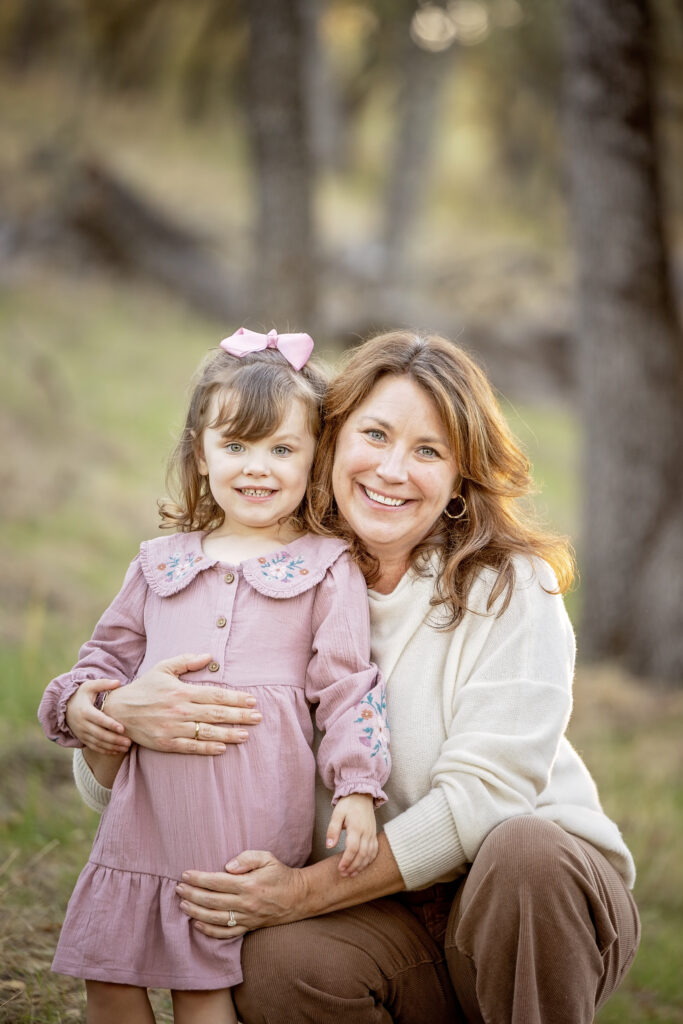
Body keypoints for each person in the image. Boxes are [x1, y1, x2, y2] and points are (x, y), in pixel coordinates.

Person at [69, 330, 640, 1024]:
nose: (393, 470)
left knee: (526, 852)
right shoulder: (266, 579)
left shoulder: (509, 585)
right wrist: (121, 715)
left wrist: (298, 894)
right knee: (275, 967)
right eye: (374, 434)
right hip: (373, 914)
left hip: (524, 909)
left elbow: (487, 797)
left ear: (460, 477)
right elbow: (111, 796)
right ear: (327, 443)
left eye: (428, 451)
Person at [38, 328, 391, 1024]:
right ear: (199, 453)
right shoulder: (160, 562)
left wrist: (356, 786)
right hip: (143, 824)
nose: (256, 468)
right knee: (108, 978)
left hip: (242, 830)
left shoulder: (326, 567)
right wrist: (83, 704)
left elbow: (350, 687)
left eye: (281, 449)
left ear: (315, 458)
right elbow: (102, 661)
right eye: (235, 446)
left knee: (204, 989)